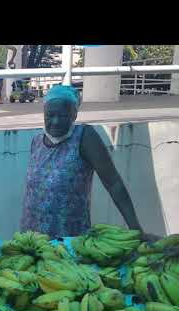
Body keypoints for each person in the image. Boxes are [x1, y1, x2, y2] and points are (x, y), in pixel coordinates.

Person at [20, 84, 159, 242]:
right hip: (31, 236)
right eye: (50, 115)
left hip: (68, 239)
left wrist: (136, 229)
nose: (55, 121)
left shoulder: (84, 137)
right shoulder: (37, 142)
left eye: (63, 115)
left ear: (74, 115)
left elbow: (113, 183)